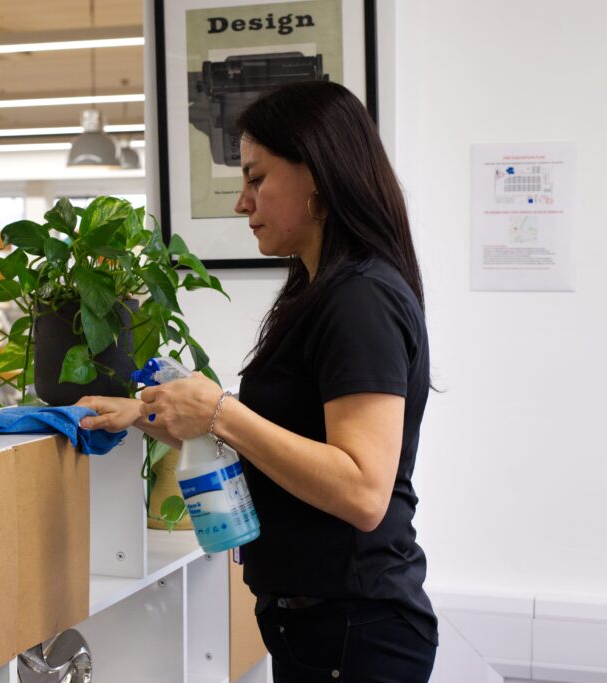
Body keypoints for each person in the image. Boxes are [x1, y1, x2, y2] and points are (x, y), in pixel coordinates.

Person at [77, 80, 437, 682]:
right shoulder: (320, 293)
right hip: (319, 629)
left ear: (317, 177)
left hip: (356, 631)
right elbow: (283, 441)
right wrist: (145, 413)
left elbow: (364, 493)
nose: (242, 202)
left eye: (256, 178)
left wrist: (220, 411)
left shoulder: (360, 301)